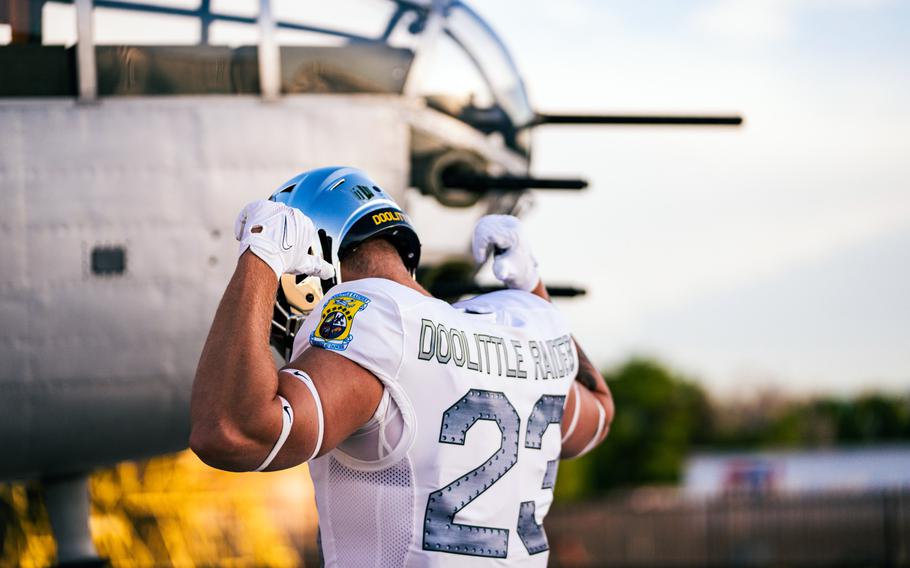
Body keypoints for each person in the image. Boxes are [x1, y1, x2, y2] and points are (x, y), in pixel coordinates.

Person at [190, 166, 614, 567]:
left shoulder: (379, 325)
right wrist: (532, 294)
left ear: (309, 264)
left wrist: (260, 258)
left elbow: (230, 430)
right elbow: (599, 412)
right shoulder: (521, 327)